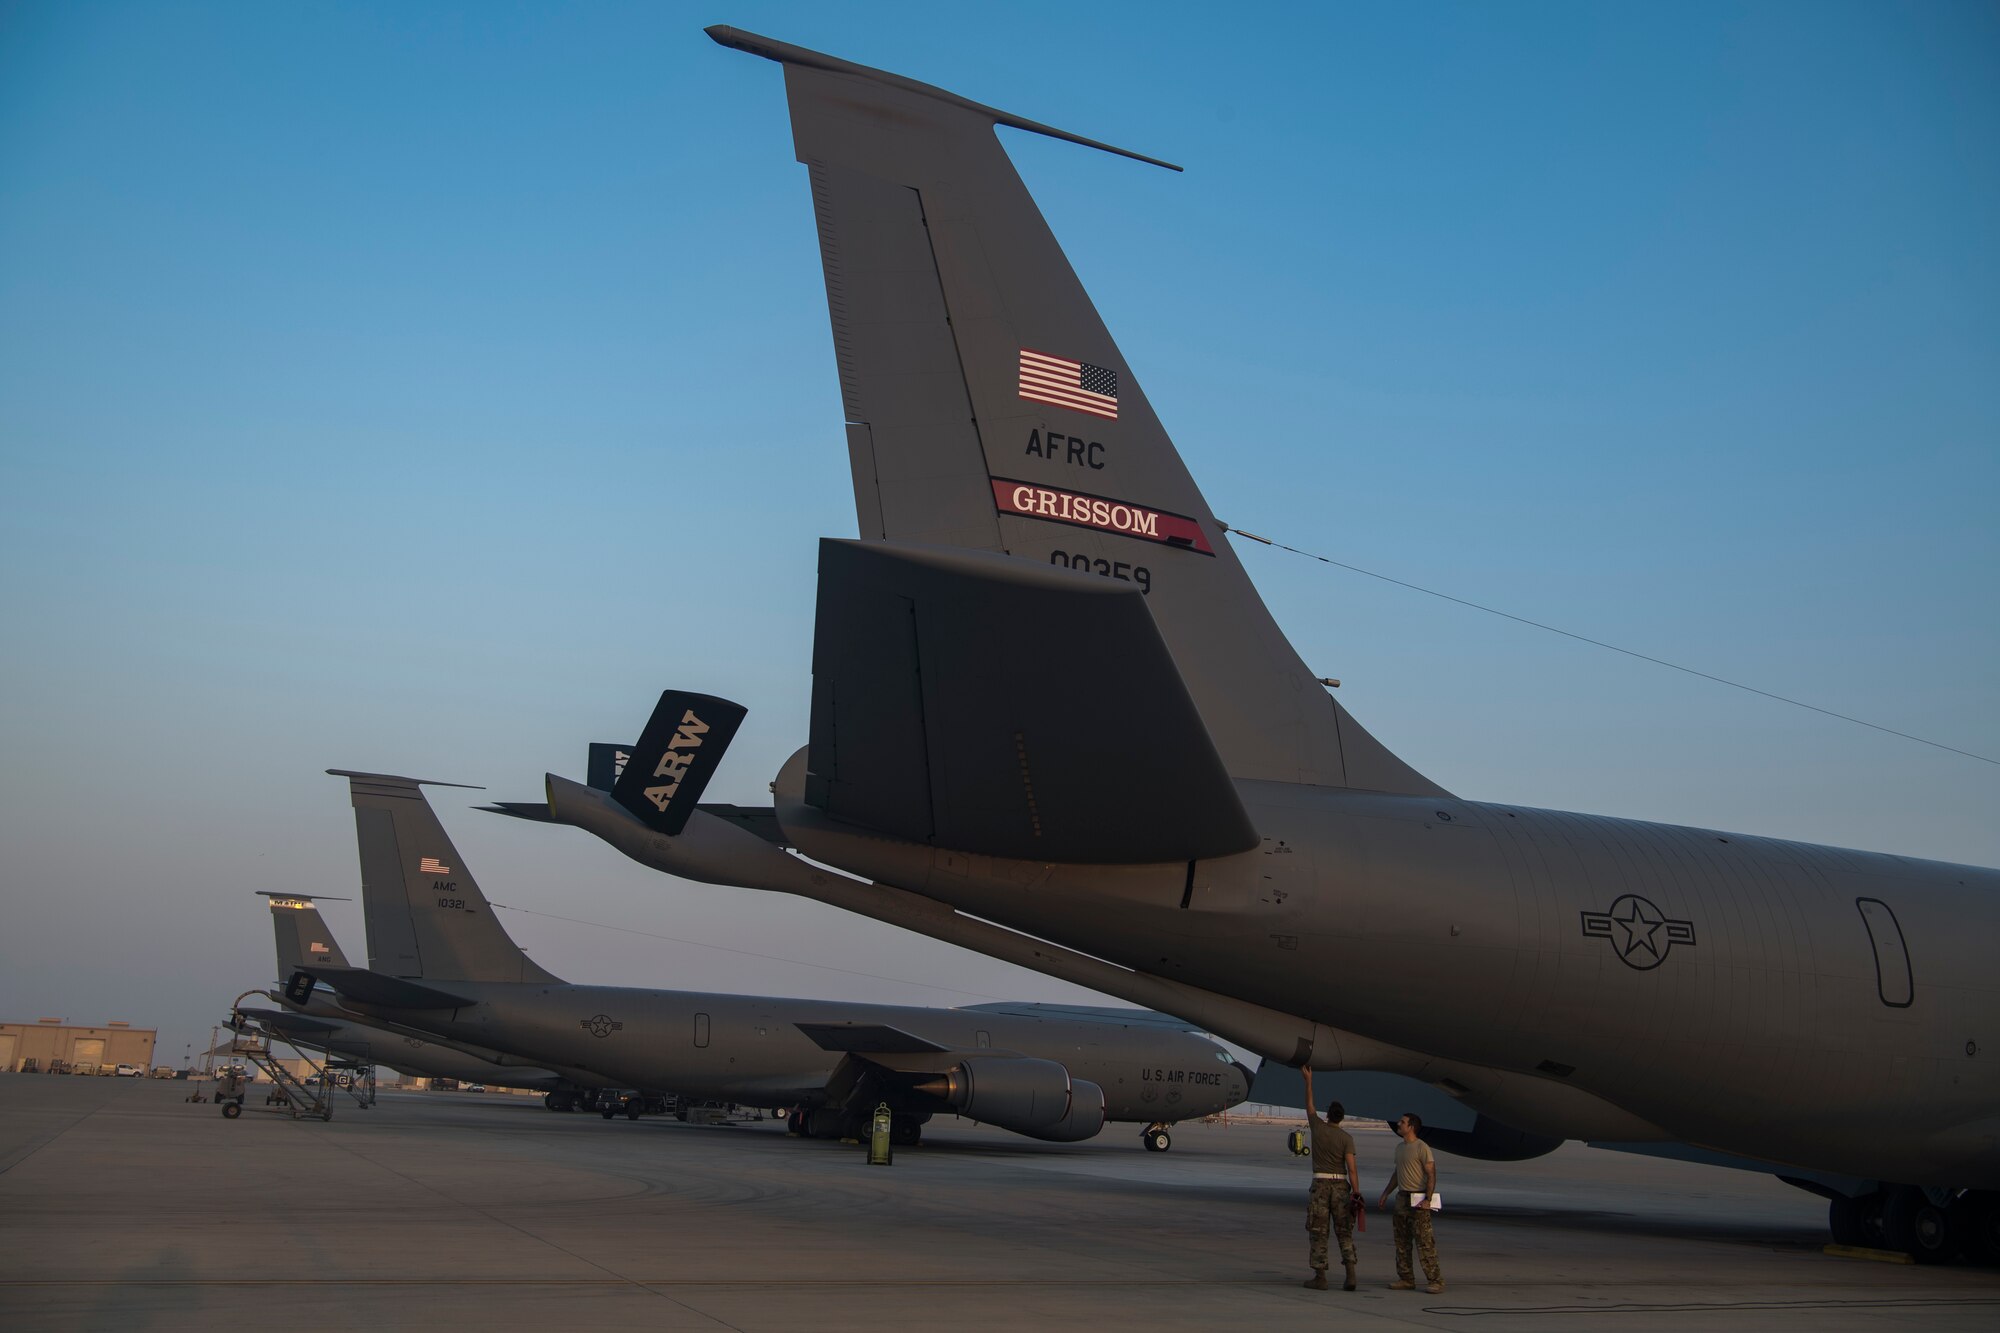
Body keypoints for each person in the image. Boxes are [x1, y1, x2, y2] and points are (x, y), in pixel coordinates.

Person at [1298, 1067, 1360, 1292]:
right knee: (1344, 1231)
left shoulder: (1319, 1129)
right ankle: (1350, 1274)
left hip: (1321, 1184)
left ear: (1328, 1115)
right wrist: (1356, 1193)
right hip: (1341, 1185)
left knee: (1318, 1231)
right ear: (1341, 1117)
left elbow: (1309, 1105)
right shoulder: (1347, 1138)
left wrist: (1308, 1081)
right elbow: (1352, 1169)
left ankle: (1320, 1276)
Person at [1377, 1111, 1443, 1293]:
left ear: (1411, 1127)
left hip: (1419, 1198)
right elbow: (1397, 1173)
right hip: (1402, 1198)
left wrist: (1428, 1200)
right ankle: (1406, 1278)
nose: (1399, 1124)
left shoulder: (1422, 1147)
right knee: (1402, 1241)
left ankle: (1435, 1280)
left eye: (1402, 1122)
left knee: (1424, 1241)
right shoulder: (1400, 1148)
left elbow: (1431, 1174)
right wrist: (1386, 1193)